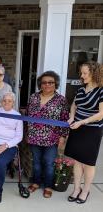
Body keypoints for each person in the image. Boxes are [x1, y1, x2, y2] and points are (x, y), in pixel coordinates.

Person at [26, 71, 69, 198]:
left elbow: (64, 119)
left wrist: (63, 136)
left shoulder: (61, 100)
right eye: (44, 82)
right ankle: (36, 182)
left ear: (55, 84)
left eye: (51, 82)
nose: (47, 85)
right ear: (40, 84)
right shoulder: (33, 97)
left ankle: (48, 185)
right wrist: (28, 132)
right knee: (36, 162)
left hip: (52, 138)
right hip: (34, 136)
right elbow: (28, 114)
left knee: (49, 163)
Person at [65, 61, 103, 204]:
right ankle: (76, 189)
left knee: (88, 163)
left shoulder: (101, 90)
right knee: (77, 161)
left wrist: (82, 122)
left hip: (92, 130)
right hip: (77, 128)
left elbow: (101, 114)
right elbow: (74, 105)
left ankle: (86, 190)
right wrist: (72, 117)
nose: (82, 76)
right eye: (81, 73)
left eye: (85, 73)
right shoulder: (81, 89)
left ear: (94, 73)